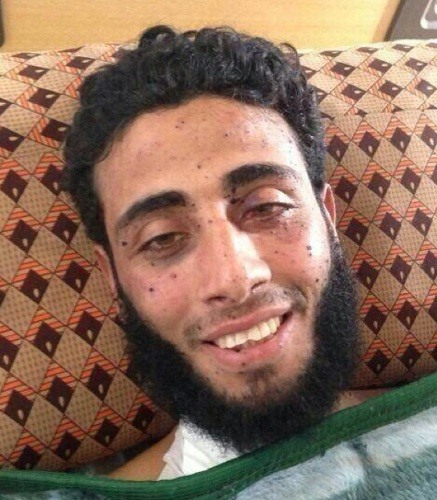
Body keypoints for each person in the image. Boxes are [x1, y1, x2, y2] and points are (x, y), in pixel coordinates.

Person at [62, 25, 380, 481]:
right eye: (161, 238)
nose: (234, 278)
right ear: (112, 274)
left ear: (327, 219)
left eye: (268, 207)